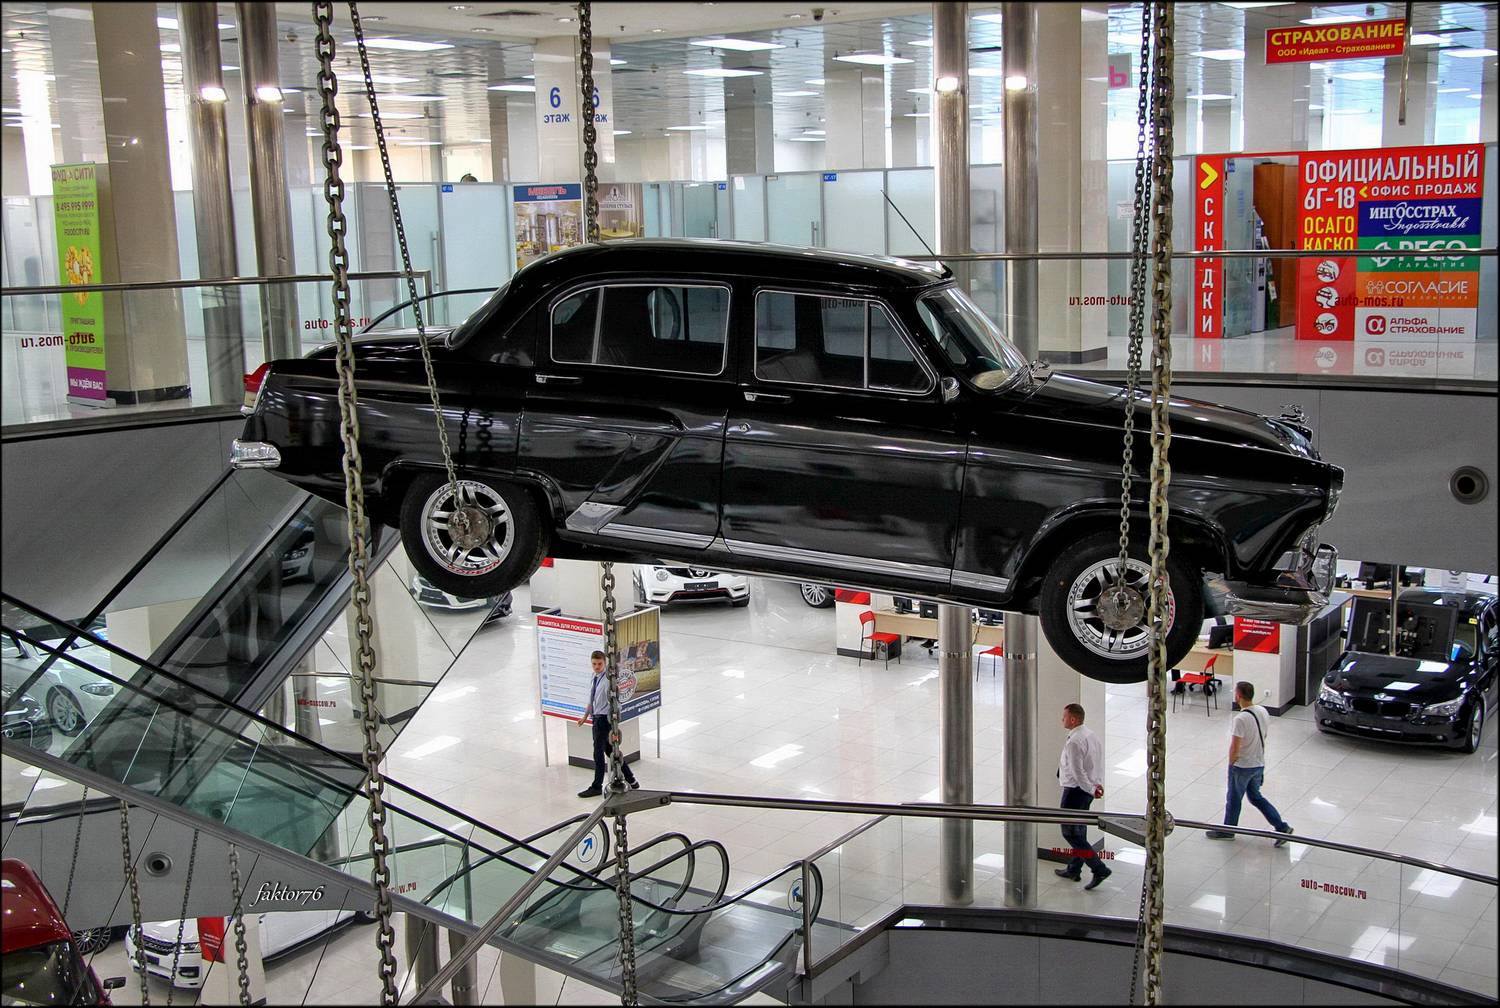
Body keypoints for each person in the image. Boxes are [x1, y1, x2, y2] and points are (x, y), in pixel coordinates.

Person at [1206, 681, 1294, 845]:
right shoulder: (1262, 711)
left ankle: (1228, 831)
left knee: (1234, 799)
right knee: (1256, 797)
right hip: (1258, 763)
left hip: (1242, 766)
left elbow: (1235, 746)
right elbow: (1264, 735)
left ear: (1238, 696)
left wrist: (1231, 764)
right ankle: (1282, 827)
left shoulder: (1241, 719)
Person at [1054, 703, 1111, 890]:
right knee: (1079, 829)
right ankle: (1074, 868)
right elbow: (1097, 763)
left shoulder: (1074, 742)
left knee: (1069, 832)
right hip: (1087, 790)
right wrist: (1096, 785)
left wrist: (1091, 788)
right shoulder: (1090, 735)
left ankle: (1099, 868)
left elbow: (1077, 772)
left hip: (1075, 791)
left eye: (1064, 717)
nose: (1062, 720)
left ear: (1073, 719)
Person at [577, 650, 639, 798]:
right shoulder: (594, 677)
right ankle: (632, 779)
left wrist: (613, 718)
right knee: (610, 751)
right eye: (594, 664)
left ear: (605, 663)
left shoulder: (608, 681)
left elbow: (616, 701)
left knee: (598, 753)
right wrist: (585, 717)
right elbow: (592, 700)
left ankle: (596, 786)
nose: (596, 667)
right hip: (596, 718)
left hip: (604, 720)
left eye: (599, 664)